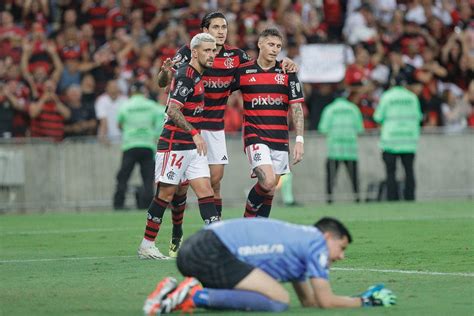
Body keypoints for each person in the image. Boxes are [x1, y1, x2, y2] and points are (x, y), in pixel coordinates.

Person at [156, 12, 297, 257]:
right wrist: (166, 74)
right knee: (178, 188)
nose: (221, 31)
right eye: (216, 27)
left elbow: (259, 68)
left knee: (215, 181)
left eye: (224, 27)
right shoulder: (191, 51)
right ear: (204, 30)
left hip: (213, 126)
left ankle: (215, 237)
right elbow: (164, 81)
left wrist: (285, 64)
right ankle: (177, 231)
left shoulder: (236, 57)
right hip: (186, 123)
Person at [143, 217, 396, 315]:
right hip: (210, 250)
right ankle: (194, 295)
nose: (341, 256)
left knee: (274, 296)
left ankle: (174, 293)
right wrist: (364, 301)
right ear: (328, 237)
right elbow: (326, 300)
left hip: (199, 248)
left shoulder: (300, 243)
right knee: (278, 301)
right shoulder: (316, 243)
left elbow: (310, 302)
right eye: (341, 247)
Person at [137, 33, 220, 260]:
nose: (212, 55)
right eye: (207, 51)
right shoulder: (186, 76)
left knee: (206, 191)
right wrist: (195, 133)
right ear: (194, 52)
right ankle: (147, 245)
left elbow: (165, 83)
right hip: (174, 143)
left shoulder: (194, 73)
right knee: (166, 193)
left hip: (192, 147)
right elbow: (172, 110)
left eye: (214, 51)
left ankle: (217, 244)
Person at [232, 28, 305, 218]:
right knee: (267, 182)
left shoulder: (287, 72)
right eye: (271, 44)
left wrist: (299, 140)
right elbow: (220, 89)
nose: (275, 49)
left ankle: (260, 230)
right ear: (260, 44)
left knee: (270, 190)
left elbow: (296, 108)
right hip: (255, 136)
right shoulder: (244, 71)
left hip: (280, 138)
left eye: (278, 46)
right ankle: (246, 223)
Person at [113, 81, 165, 210]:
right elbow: (162, 116)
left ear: (131, 92)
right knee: (148, 179)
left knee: (123, 177)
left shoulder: (125, 106)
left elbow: (119, 124)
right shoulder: (152, 106)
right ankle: (147, 205)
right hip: (147, 145)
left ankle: (118, 204)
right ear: (144, 92)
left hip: (130, 145)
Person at [373, 80, 423, 201]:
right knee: (409, 172)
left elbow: (377, 117)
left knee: (391, 173)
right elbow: (419, 117)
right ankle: (410, 198)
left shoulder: (387, 96)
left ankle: (392, 199)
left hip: (390, 141)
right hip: (408, 141)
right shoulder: (412, 97)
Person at [318, 94, 364, 204]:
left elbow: (323, 129)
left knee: (331, 178)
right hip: (350, 150)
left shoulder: (329, 109)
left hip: (334, 149)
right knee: (354, 178)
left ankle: (329, 200)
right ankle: (357, 199)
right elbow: (360, 129)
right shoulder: (353, 109)